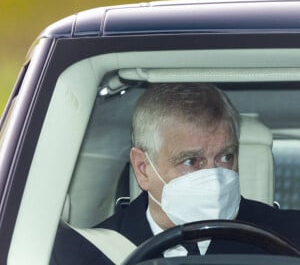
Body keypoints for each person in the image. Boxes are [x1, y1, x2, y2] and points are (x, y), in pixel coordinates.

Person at [51, 83, 300, 265]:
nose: (214, 177)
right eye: (191, 161)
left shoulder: (290, 236)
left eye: (226, 157)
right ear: (143, 168)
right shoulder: (82, 255)